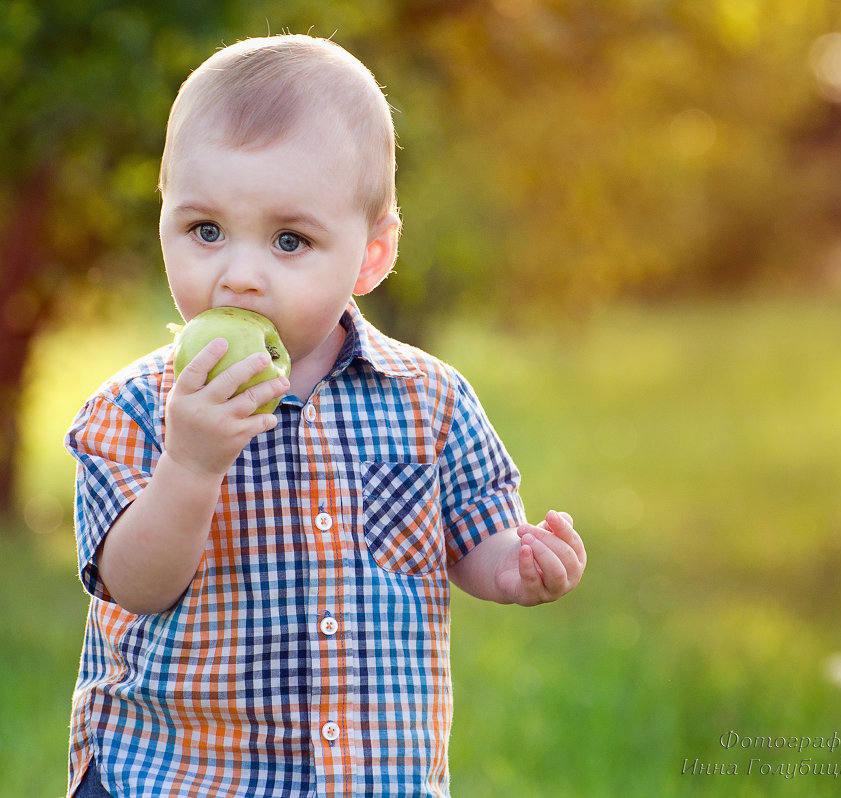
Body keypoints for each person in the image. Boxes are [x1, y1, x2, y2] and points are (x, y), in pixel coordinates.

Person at [64, 33, 586, 798]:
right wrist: (192, 465)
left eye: (289, 240)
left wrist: (509, 566)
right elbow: (133, 585)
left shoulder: (430, 401)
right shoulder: (134, 412)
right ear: (165, 220)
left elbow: (474, 531)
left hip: (370, 777)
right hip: (177, 775)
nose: (239, 277)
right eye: (205, 230)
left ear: (371, 257)